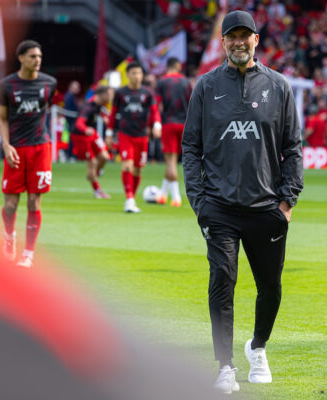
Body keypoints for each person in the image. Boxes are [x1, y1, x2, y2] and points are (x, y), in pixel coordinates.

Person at [181, 10, 303, 394]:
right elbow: (190, 147)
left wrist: (287, 202)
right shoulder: (205, 86)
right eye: (231, 36)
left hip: (267, 207)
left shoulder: (279, 86)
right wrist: (199, 201)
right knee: (222, 284)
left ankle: (258, 347)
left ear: (255, 39)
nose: (238, 42)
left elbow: (292, 147)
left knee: (271, 287)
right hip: (218, 208)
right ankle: (225, 366)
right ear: (222, 42)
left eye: (244, 36)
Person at [0, 40, 57, 268]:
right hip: (15, 148)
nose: (37, 60)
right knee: (11, 203)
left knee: (34, 201)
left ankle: (28, 253)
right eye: (32, 56)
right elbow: (3, 118)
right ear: (20, 57)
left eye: (39, 56)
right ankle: (9, 236)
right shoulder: (6, 85)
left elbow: (45, 111)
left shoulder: (49, 83)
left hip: (40, 147)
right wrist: (5, 144)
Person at [108, 62, 162, 213]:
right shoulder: (120, 93)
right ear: (127, 75)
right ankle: (129, 199)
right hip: (125, 134)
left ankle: (131, 198)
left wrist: (157, 124)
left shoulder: (147, 93)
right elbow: (113, 114)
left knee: (137, 170)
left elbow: (154, 111)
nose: (137, 76)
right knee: (127, 166)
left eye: (139, 73)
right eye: (134, 73)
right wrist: (109, 133)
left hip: (142, 136)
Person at [155, 57, 193, 207]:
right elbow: (192, 103)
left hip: (169, 123)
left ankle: (176, 197)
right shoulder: (185, 82)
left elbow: (156, 105)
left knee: (170, 161)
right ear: (177, 66)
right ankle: (163, 194)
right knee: (174, 159)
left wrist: (156, 124)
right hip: (184, 123)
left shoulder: (162, 82)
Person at [71, 85, 111, 199]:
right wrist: (85, 129)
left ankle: (94, 174)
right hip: (81, 136)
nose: (110, 97)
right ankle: (97, 190)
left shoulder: (99, 105)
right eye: (108, 94)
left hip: (92, 134)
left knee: (105, 157)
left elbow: (100, 113)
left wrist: (104, 117)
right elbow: (79, 123)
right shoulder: (88, 106)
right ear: (101, 95)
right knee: (92, 163)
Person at [63, 80, 81, 160]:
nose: (78, 89)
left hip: (72, 121)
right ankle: (70, 155)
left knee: (72, 138)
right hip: (71, 121)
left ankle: (71, 154)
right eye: (76, 87)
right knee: (71, 138)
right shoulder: (69, 96)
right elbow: (68, 110)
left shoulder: (72, 96)